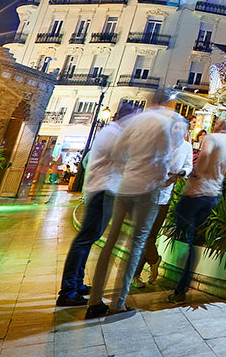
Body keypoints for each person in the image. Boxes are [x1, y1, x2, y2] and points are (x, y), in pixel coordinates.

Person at [86, 91, 187, 318]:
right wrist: (160, 176)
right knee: (137, 243)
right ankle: (118, 303)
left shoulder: (135, 120)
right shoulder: (166, 123)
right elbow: (166, 159)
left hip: (125, 186)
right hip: (148, 189)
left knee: (111, 241)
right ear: (168, 103)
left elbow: (118, 153)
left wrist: (128, 170)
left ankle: (94, 301)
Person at [56, 106, 133, 306]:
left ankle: (77, 284)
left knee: (88, 239)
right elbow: (127, 161)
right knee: (85, 239)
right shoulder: (114, 135)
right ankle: (68, 290)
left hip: (101, 191)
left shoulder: (110, 132)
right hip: (102, 192)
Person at [168, 119, 226, 303]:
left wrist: (197, 172)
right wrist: (215, 174)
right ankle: (181, 288)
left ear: (217, 126)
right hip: (212, 195)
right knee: (194, 241)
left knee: (183, 232)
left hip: (195, 192)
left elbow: (205, 155)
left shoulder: (210, 138)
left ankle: (177, 281)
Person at [134, 116, 193, 287]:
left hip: (165, 195)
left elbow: (189, 165)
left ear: (186, 131)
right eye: (175, 128)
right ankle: (154, 260)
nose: (178, 131)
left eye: (182, 128)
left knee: (151, 235)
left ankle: (136, 275)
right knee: (144, 235)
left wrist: (180, 173)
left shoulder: (187, 147)